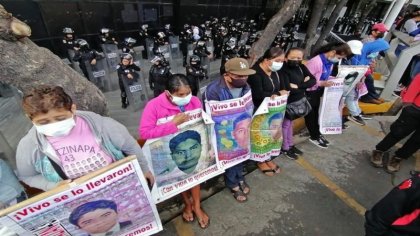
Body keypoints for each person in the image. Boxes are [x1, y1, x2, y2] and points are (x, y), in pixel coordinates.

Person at [16, 86, 154, 191]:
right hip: (78, 195)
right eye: (44, 122)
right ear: (30, 119)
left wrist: (144, 169)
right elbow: (27, 176)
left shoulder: (104, 126)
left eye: (60, 118)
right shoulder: (29, 145)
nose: (54, 125)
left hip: (119, 184)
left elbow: (130, 147)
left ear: (73, 109)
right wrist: (52, 186)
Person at [139, 74, 209, 229]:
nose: (185, 97)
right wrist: (172, 124)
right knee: (179, 178)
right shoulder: (154, 106)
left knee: (195, 175)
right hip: (171, 154)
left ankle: (197, 206)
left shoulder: (195, 101)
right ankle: (187, 204)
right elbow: (145, 133)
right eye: (180, 95)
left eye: (188, 92)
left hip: (193, 149)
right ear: (168, 93)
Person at [203, 58, 255, 202]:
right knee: (230, 157)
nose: (243, 79)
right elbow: (208, 115)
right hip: (223, 132)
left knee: (241, 154)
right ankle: (233, 184)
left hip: (241, 128)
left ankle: (240, 177)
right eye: (239, 76)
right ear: (227, 75)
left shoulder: (246, 86)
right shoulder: (213, 90)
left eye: (246, 75)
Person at [247, 47, 287, 175]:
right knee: (261, 136)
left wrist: (280, 93)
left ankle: (268, 157)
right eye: (278, 60)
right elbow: (257, 94)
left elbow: (280, 87)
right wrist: (276, 93)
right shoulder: (255, 73)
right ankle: (260, 160)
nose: (280, 63)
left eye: (282, 61)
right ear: (266, 59)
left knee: (271, 135)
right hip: (259, 111)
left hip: (273, 111)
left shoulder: (274, 72)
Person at [305, 42, 352, 148]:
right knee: (311, 115)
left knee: (315, 113)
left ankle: (316, 134)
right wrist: (322, 83)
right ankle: (314, 136)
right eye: (339, 57)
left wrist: (333, 80)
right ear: (333, 52)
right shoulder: (316, 62)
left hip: (316, 91)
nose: (339, 60)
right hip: (308, 92)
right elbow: (307, 81)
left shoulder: (329, 62)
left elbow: (324, 76)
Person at [370, 74, 420, 173]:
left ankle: (399, 157)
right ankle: (379, 150)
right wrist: (408, 104)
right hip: (415, 108)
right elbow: (416, 83)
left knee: (417, 141)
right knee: (398, 132)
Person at [279, 47, 316, 158]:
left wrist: (299, 86)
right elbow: (288, 88)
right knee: (285, 125)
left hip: (298, 101)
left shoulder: (301, 67)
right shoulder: (283, 70)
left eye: (298, 58)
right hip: (287, 102)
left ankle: (290, 144)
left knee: (290, 124)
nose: (296, 60)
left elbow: (313, 80)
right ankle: (285, 147)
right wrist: (304, 84)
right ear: (286, 58)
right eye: (292, 57)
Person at [356, 23, 390, 104]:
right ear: (373, 32)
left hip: (367, 64)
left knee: (368, 80)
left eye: (383, 32)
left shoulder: (376, 41)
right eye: (380, 32)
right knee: (367, 79)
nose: (382, 34)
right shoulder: (368, 41)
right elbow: (364, 54)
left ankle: (372, 96)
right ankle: (369, 97)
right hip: (361, 65)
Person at [342, 40, 367, 126]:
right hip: (338, 83)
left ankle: (356, 113)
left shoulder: (350, 58)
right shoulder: (342, 58)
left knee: (352, 95)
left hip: (347, 82)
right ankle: (355, 114)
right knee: (350, 96)